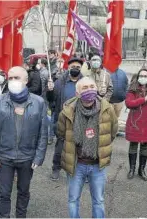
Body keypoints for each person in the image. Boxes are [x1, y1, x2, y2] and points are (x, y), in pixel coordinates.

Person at [0, 66, 48, 218]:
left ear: (26, 81)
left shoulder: (39, 102)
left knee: (23, 192)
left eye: (17, 78)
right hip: (5, 157)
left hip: (27, 157)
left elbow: (43, 133)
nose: (13, 81)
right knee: (4, 193)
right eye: (10, 78)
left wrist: (38, 156)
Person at [57, 77, 117, 218]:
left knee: (99, 200)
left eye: (92, 86)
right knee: (73, 200)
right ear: (77, 93)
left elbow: (111, 133)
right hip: (76, 164)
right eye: (85, 88)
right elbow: (61, 132)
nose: (89, 89)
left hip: (98, 165)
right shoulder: (67, 111)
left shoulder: (107, 109)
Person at [46, 57, 84, 180]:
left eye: (78, 67)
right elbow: (51, 99)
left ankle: (80, 171)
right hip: (63, 120)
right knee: (60, 146)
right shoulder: (60, 82)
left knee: (80, 147)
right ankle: (56, 168)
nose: (75, 69)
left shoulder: (85, 82)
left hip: (80, 120)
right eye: (73, 67)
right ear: (68, 68)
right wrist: (50, 90)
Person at [109, 68, 128, 132]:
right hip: (109, 101)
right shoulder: (106, 72)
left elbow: (126, 84)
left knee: (116, 117)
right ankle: (108, 132)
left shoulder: (123, 73)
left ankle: (114, 131)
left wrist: (125, 94)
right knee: (108, 118)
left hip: (120, 100)